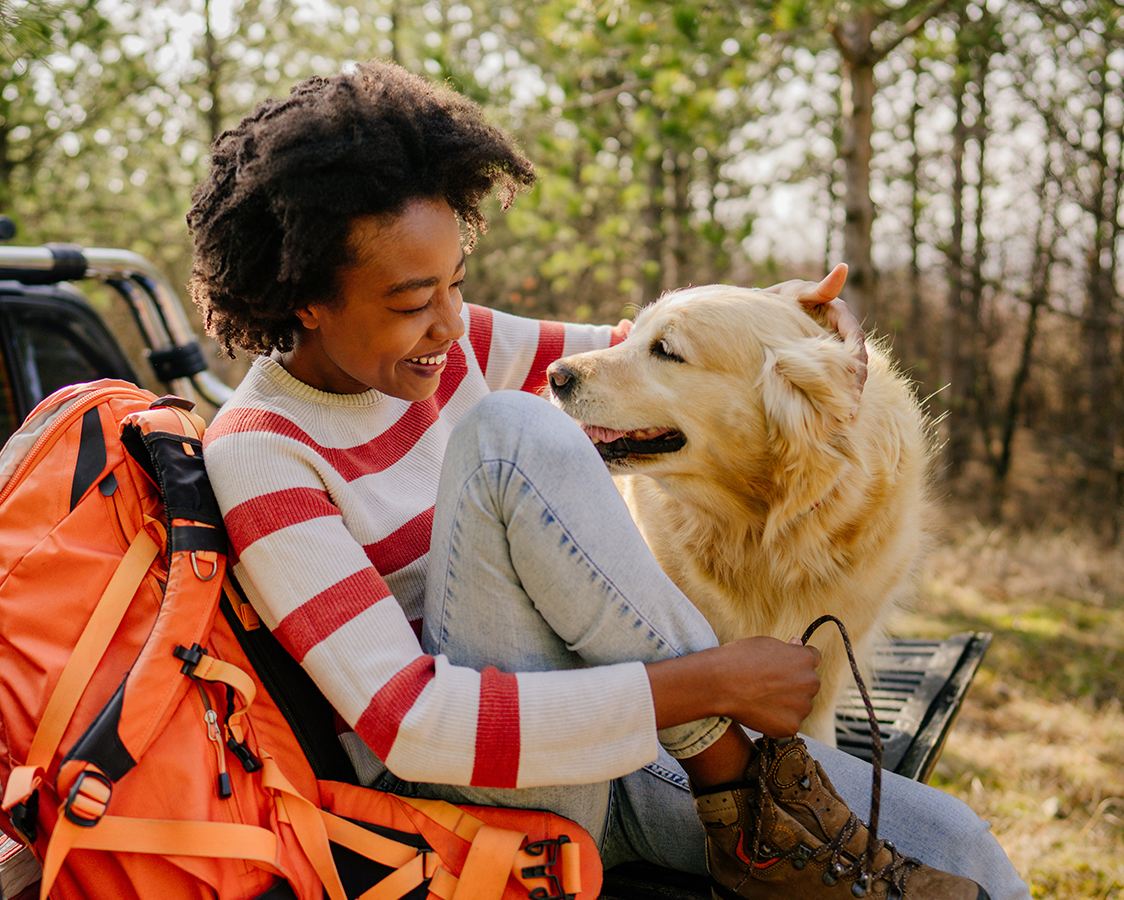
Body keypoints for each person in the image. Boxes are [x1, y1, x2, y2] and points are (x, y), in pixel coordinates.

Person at [188, 60, 1029, 900]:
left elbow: (647, 360)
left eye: (457, 284)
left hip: (614, 742)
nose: (448, 324)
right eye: (413, 300)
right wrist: (713, 686)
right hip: (473, 799)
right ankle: (734, 775)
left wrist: (781, 319)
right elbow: (412, 726)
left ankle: (748, 802)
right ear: (304, 299)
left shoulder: (445, 346)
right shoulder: (262, 450)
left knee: (962, 851)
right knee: (511, 435)